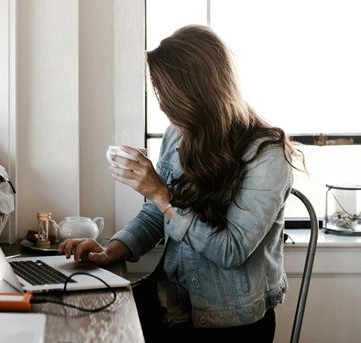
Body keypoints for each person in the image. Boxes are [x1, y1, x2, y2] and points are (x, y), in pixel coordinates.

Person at [59, 25, 299, 342]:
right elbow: (154, 215)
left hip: (229, 321)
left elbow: (231, 250)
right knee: (80, 322)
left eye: (166, 94)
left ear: (198, 92)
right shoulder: (179, 134)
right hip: (172, 301)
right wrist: (110, 250)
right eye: (158, 93)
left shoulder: (267, 155)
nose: (162, 105)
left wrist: (161, 194)